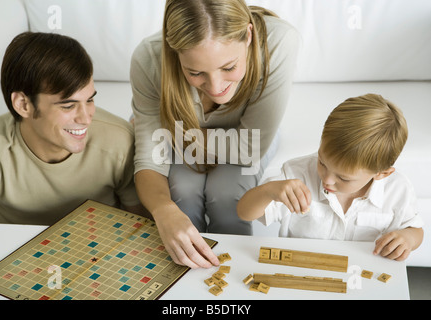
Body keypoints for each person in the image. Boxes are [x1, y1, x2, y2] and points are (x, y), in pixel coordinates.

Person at [130, 0, 300, 268]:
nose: (216, 86)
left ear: (248, 35)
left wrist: (173, 135)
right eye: (195, 73)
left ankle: (230, 279)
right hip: (187, 138)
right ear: (175, 54)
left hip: (238, 139)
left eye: (229, 67)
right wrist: (163, 210)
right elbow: (150, 160)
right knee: (181, 194)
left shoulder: (280, 41)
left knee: (229, 196)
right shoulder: (148, 59)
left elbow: (249, 148)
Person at [0, 31, 144, 226]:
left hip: (100, 249)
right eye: (68, 105)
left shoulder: (119, 140)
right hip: (13, 252)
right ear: (23, 105)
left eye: (90, 99)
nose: (85, 118)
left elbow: (141, 228)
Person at [237, 94, 424, 261]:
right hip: (298, 270)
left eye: (343, 178)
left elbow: (415, 230)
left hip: (360, 277)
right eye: (322, 163)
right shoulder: (296, 173)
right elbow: (244, 212)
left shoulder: (398, 189)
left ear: (382, 173)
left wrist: (408, 238)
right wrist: (269, 191)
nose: (327, 180)